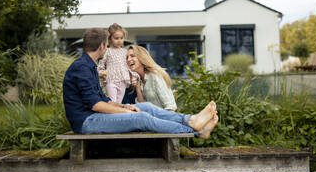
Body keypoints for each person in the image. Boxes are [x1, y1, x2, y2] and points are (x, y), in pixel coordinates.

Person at [63, 28, 219, 138]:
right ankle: (196, 132)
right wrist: (125, 112)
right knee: (141, 118)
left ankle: (191, 120)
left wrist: (124, 106)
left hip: (94, 116)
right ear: (102, 46)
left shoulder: (89, 66)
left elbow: (102, 100)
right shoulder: (81, 67)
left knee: (145, 107)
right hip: (87, 122)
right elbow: (95, 105)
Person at [126, 45, 177, 111]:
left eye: (132, 56)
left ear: (141, 57)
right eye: (127, 57)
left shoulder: (155, 75)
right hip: (152, 119)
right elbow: (143, 107)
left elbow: (170, 106)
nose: (128, 59)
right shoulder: (139, 79)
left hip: (165, 118)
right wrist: (137, 87)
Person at [97, 23, 138, 103]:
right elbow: (100, 66)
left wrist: (134, 75)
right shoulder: (107, 52)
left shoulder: (125, 52)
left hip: (123, 81)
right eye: (116, 38)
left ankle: (117, 115)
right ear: (110, 39)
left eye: (121, 38)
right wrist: (102, 73)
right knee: (112, 102)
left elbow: (128, 66)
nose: (119, 40)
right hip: (111, 80)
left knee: (118, 103)